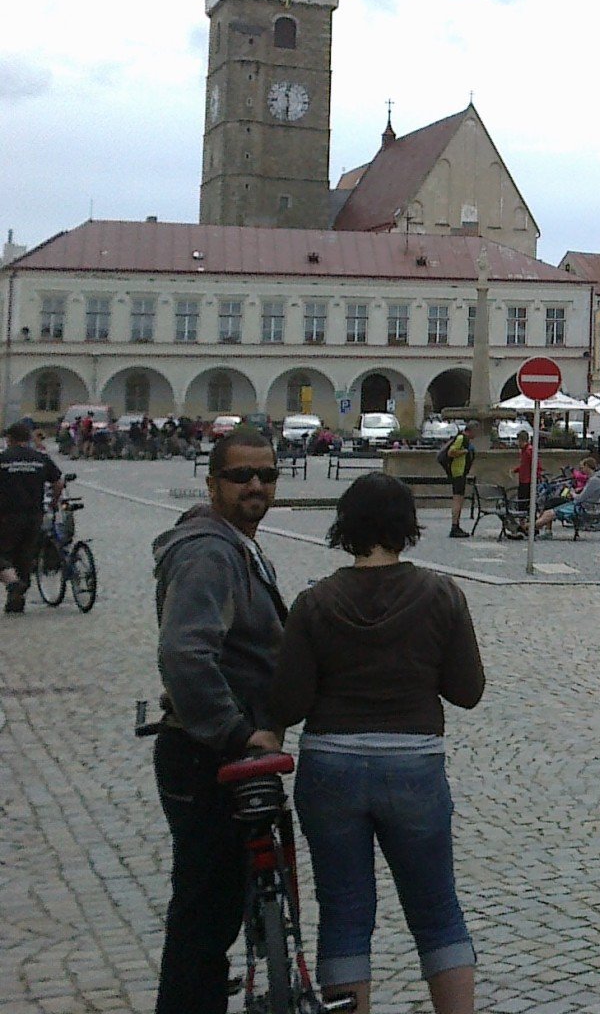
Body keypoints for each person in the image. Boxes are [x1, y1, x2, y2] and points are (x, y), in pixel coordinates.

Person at [267, 473, 485, 1014]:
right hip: (413, 764)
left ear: (345, 526)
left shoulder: (314, 603)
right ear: (408, 528)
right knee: (437, 911)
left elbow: (289, 702)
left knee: (343, 915)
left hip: (332, 765)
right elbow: (467, 691)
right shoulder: (441, 595)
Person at [151, 432, 288, 1014]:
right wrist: (238, 732)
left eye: (267, 474)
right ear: (212, 485)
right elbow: (185, 654)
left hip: (219, 754)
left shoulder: (234, 545)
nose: (256, 485)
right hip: (207, 756)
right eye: (241, 476)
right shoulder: (210, 552)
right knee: (204, 918)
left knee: (213, 912)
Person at [0, 420, 63, 612]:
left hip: (7, 515)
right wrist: (53, 502)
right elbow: (58, 482)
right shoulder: (40, 458)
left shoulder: (3, 459)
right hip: (35, 515)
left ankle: (12, 584)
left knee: (3, 553)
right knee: (24, 557)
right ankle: (17, 601)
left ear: (9, 439)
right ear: (27, 439)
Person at [439, 427, 475, 538]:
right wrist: (465, 451)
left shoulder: (463, 438)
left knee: (459, 499)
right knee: (458, 500)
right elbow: (451, 452)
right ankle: (455, 526)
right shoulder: (461, 438)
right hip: (458, 473)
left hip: (459, 473)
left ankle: (456, 525)